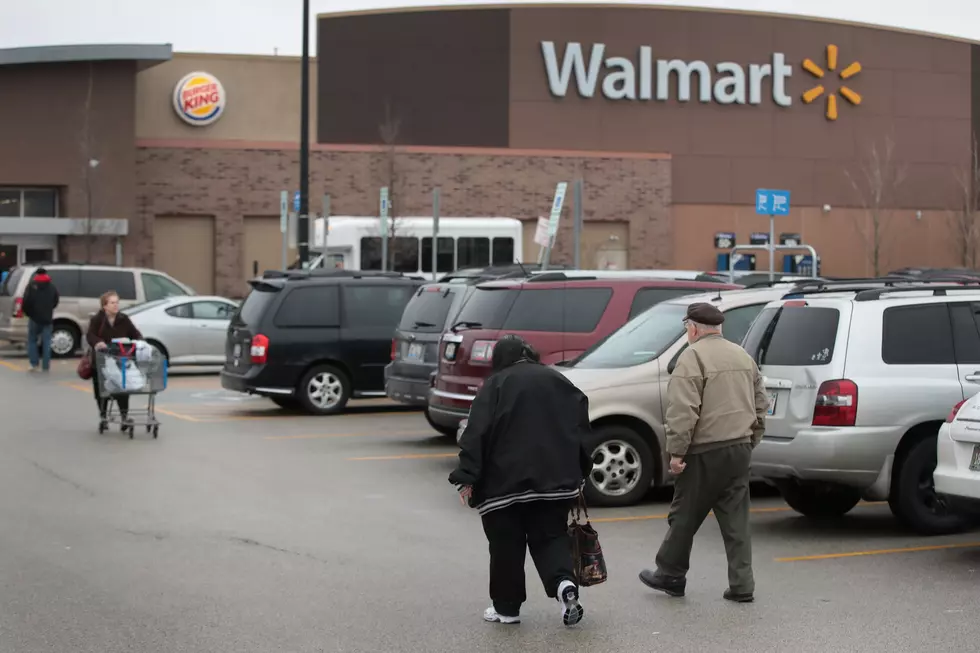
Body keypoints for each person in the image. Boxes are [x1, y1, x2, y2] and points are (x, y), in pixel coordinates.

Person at [449, 335, 593, 627]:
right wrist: (581, 469)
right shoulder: (559, 381)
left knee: (506, 546)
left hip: (503, 485)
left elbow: (476, 434)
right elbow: (580, 428)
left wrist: (466, 477)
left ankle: (507, 609)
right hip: (555, 482)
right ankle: (565, 585)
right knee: (551, 538)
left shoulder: (495, 385)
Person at [639, 302, 768, 603]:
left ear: (693, 328)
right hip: (739, 447)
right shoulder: (742, 355)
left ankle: (670, 573)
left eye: (687, 330)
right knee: (736, 519)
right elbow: (761, 402)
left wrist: (676, 453)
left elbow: (683, 411)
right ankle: (742, 585)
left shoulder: (692, 357)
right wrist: (752, 439)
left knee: (684, 513)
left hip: (704, 451)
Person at [87, 290, 143, 426]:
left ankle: (124, 417)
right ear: (104, 306)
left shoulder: (123, 319)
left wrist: (139, 343)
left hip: (119, 359)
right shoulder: (97, 320)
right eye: (112, 303)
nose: (115, 305)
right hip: (102, 360)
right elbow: (90, 335)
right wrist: (97, 342)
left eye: (117, 302)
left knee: (122, 389)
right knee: (102, 390)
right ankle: (103, 416)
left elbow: (135, 334)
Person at [22, 267, 60, 372]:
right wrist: (49, 310)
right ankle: (46, 365)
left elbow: (25, 302)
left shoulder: (31, 286)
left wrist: (29, 313)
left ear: (36, 274)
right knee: (47, 342)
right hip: (47, 318)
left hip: (34, 318)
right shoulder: (52, 287)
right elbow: (56, 301)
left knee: (32, 340)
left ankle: (34, 364)